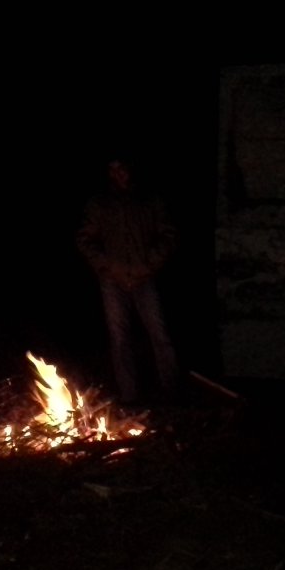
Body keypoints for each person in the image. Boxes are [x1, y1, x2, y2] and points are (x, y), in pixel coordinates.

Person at [76, 156, 181, 407]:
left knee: (159, 334)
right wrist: (105, 265)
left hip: (145, 277)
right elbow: (84, 239)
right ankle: (129, 395)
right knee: (119, 338)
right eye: (112, 170)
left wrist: (150, 263)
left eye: (121, 168)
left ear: (131, 169)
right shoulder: (100, 203)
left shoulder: (149, 200)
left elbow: (168, 235)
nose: (117, 174)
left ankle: (172, 391)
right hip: (113, 280)